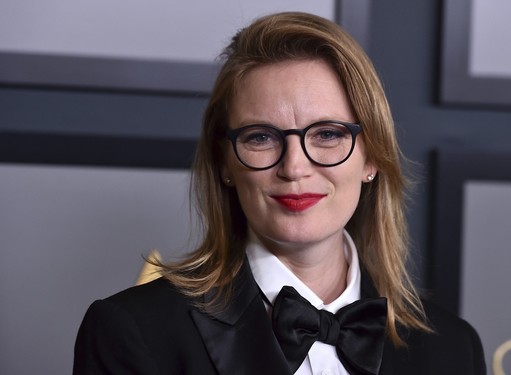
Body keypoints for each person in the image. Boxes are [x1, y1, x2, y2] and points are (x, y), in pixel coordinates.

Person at [73, 12, 485, 375]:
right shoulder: (133, 332)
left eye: (327, 134)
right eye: (261, 137)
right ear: (225, 163)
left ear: (372, 156)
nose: (294, 167)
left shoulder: (454, 348)